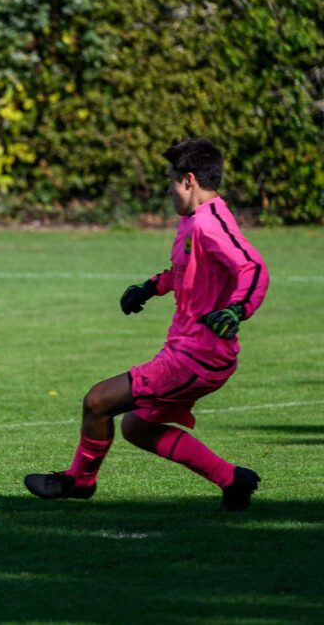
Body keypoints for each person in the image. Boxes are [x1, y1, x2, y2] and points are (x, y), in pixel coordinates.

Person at [24, 138, 269, 511]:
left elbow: (253, 266)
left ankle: (79, 482)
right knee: (137, 427)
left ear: (188, 180)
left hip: (199, 356)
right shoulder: (193, 221)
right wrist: (150, 288)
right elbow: (185, 271)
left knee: (97, 401)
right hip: (188, 350)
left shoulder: (210, 224)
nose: (168, 191)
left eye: (171, 181)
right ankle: (232, 479)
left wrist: (237, 310)